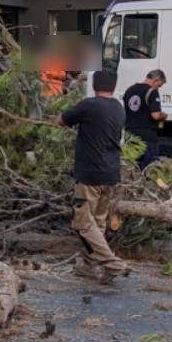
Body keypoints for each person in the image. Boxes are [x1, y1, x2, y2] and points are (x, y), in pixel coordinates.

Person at [60, 69, 129, 282]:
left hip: (90, 174)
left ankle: (113, 264)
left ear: (94, 85)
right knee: (98, 223)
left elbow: (63, 119)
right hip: (111, 174)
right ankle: (89, 266)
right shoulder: (119, 107)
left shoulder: (89, 105)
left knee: (83, 223)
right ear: (113, 87)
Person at [122, 70, 167, 170]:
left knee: (131, 166)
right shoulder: (152, 92)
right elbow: (155, 115)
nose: (158, 88)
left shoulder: (129, 90)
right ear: (156, 80)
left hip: (130, 135)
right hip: (147, 137)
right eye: (159, 85)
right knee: (148, 168)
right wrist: (164, 115)